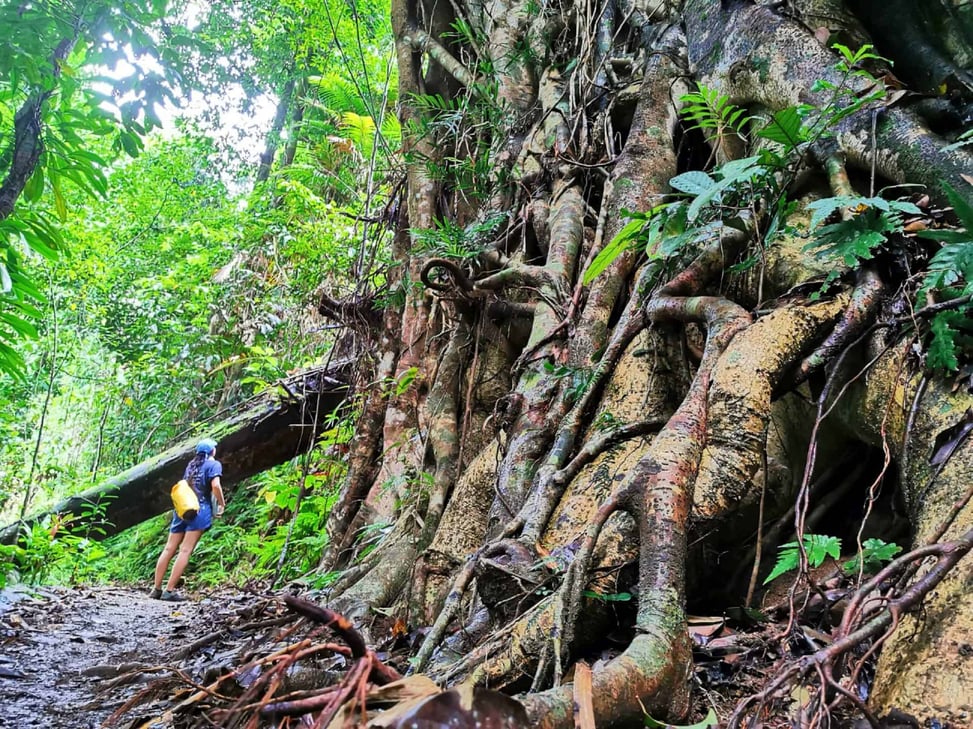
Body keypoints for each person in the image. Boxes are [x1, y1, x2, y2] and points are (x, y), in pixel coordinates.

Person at [151, 438, 226, 601]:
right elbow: (215, 486)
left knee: (168, 548)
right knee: (185, 550)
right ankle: (169, 591)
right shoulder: (214, 465)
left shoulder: (191, 465)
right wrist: (222, 503)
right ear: (212, 451)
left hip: (182, 510)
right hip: (199, 510)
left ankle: (156, 588)